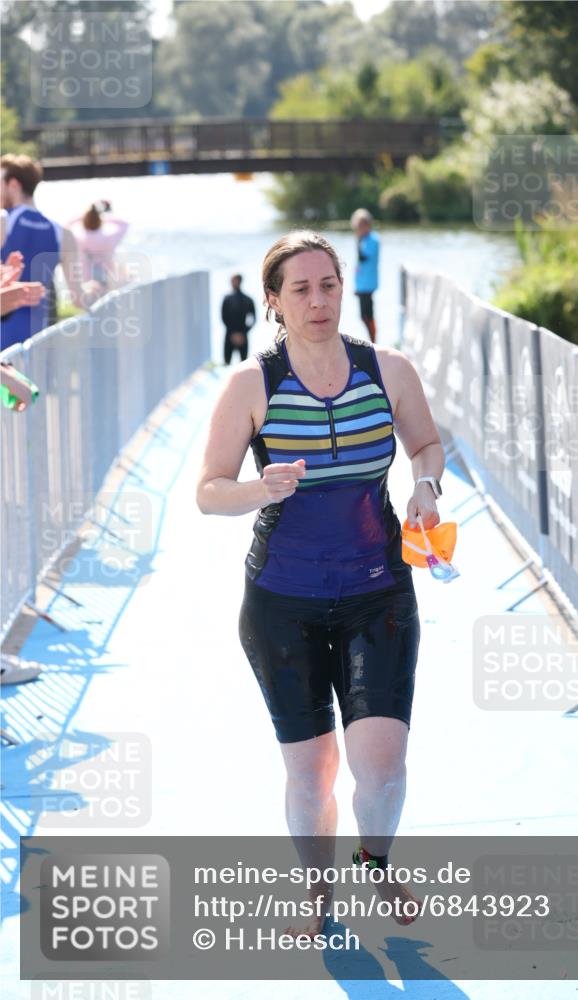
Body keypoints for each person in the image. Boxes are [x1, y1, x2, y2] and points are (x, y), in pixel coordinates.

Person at [197, 230, 445, 939]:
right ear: (272, 301)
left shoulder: (386, 369)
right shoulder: (251, 385)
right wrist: (256, 488)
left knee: (383, 766)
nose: (318, 301)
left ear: (343, 287)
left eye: (328, 285)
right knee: (313, 772)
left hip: (378, 591)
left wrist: (425, 483)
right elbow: (207, 491)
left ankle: (374, 859)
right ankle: (317, 886)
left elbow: (425, 443)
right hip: (282, 602)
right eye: (300, 290)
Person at [0, 154, 88, 350]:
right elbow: (78, 297)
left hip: (4, 346)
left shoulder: (3, 221)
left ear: (13, 185)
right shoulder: (63, 233)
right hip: (39, 343)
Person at [66, 200, 129, 292]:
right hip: (107, 274)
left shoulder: (78, 237)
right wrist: (103, 215)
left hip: (85, 276)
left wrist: (84, 216)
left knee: (89, 302)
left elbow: (67, 225)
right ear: (100, 220)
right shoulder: (109, 236)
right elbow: (124, 224)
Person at [351, 207, 380, 344]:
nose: (358, 229)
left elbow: (363, 258)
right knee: (363, 316)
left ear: (368, 224)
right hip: (362, 284)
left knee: (367, 315)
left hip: (368, 284)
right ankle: (372, 340)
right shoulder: (364, 239)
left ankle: (374, 341)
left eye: (361, 226)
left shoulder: (373, 239)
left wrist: (357, 241)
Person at [220, 273, 256, 365]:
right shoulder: (227, 299)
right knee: (226, 363)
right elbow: (223, 317)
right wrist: (234, 333)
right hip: (230, 335)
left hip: (242, 335)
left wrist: (243, 333)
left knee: (244, 364)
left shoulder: (248, 299)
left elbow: (253, 319)